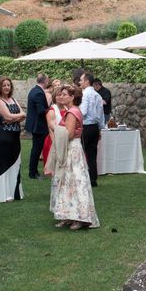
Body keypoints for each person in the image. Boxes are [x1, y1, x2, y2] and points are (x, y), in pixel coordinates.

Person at [48, 84, 100, 230]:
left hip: (72, 149)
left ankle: (79, 217)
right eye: (61, 94)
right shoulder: (71, 110)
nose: (61, 96)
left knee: (75, 182)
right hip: (71, 148)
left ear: (72, 97)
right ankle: (68, 215)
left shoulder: (72, 112)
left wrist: (53, 126)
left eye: (64, 94)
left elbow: (69, 134)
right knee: (66, 182)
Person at [0, 77, 26, 202]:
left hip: (15, 137)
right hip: (4, 137)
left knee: (16, 163)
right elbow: (8, 116)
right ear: (0, 87)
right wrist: (14, 117)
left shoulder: (13, 99)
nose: (7, 87)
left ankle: (15, 193)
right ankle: (4, 194)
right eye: (4, 85)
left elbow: (22, 115)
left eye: (9, 85)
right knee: (5, 164)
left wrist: (13, 118)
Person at [79, 73, 105, 187]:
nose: (79, 82)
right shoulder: (98, 95)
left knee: (80, 153)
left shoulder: (85, 94)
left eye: (81, 80)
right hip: (94, 127)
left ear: (86, 81)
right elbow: (101, 114)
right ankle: (93, 179)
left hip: (86, 126)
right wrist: (100, 128)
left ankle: (82, 177)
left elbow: (83, 112)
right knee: (92, 154)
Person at [25, 73, 49, 180]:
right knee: (36, 149)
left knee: (36, 148)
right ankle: (32, 172)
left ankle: (33, 171)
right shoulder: (39, 93)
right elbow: (40, 111)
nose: (48, 82)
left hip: (35, 125)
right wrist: (51, 109)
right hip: (38, 126)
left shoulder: (33, 90)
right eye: (47, 80)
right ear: (44, 81)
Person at [43, 85, 66, 171]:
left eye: (62, 95)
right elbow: (50, 128)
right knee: (56, 169)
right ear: (54, 97)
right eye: (58, 95)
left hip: (65, 139)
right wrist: (56, 145)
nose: (60, 97)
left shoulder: (68, 108)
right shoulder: (52, 110)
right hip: (53, 141)